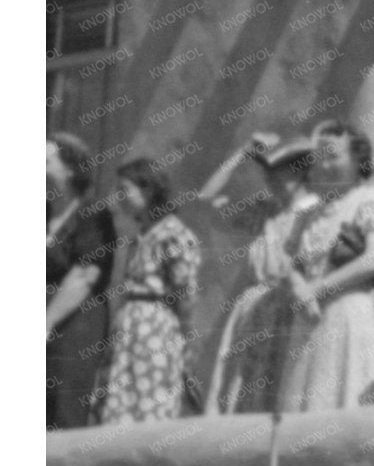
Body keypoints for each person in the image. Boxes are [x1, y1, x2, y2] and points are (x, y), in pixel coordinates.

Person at [279, 123, 374, 413]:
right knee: (301, 399)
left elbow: (373, 259)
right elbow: (290, 261)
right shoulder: (307, 213)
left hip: (347, 312)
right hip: (308, 317)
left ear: (359, 160)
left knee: (340, 395)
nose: (323, 165)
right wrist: (298, 286)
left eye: (333, 156)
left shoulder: (372, 200)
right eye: (318, 157)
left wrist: (316, 289)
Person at [199, 133, 318, 416]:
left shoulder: (316, 211)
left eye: (281, 171)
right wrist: (241, 154)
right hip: (254, 310)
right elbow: (206, 199)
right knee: (242, 393)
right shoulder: (267, 211)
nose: (272, 179)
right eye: (268, 172)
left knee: (280, 390)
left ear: (301, 171)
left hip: (291, 308)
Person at [96, 158, 201, 425]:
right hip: (130, 327)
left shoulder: (173, 234)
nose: (120, 198)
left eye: (125, 190)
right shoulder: (142, 234)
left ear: (149, 189)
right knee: (121, 402)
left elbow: (185, 293)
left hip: (154, 328)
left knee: (147, 401)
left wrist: (185, 341)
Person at [47, 132, 117, 429]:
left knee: (63, 410)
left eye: (45, 160)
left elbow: (84, 277)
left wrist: (45, 323)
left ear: (70, 169)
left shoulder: (93, 216)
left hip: (76, 325)